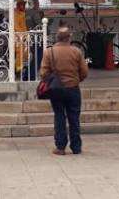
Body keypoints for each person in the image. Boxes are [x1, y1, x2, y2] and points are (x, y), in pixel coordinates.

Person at [39, 26, 88, 156]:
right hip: (73, 88)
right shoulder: (76, 51)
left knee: (59, 116)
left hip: (56, 90)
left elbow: (43, 73)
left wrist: (52, 79)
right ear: (69, 37)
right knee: (74, 117)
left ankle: (60, 147)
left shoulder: (49, 52)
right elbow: (84, 72)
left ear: (57, 37)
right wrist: (76, 80)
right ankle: (76, 147)